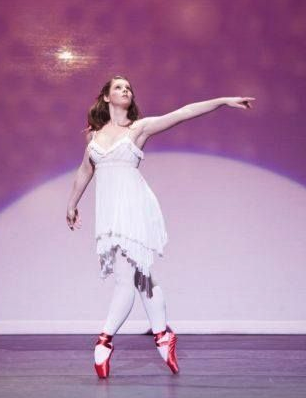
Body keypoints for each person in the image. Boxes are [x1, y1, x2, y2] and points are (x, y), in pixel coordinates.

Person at [66, 75, 254, 378]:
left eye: (128, 88)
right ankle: (163, 336)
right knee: (141, 277)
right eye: (118, 87)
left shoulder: (138, 128)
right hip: (110, 214)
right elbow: (85, 170)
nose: (125, 90)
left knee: (127, 280)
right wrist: (72, 203)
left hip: (134, 208)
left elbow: (183, 113)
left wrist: (222, 102)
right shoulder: (94, 137)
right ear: (105, 97)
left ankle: (104, 341)